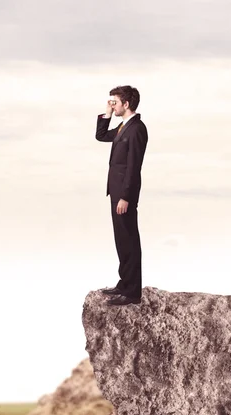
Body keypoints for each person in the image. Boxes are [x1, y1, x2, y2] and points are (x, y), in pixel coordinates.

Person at [95, 85, 148, 306]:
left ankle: (132, 292)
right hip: (116, 191)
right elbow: (100, 136)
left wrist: (126, 196)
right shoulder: (123, 126)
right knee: (121, 238)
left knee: (129, 239)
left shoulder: (137, 129)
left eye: (114, 102)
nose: (112, 105)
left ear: (126, 104)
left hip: (124, 194)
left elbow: (134, 166)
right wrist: (106, 114)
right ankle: (124, 283)